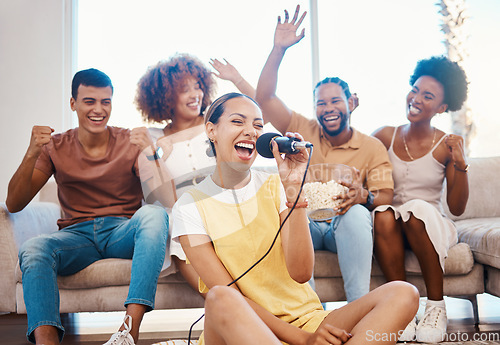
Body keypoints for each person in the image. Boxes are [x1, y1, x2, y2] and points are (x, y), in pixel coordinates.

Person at [171, 92, 419, 345]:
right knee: (220, 297)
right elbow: (230, 297)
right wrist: (304, 340)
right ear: (211, 130)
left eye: (258, 125)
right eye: (238, 122)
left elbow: (301, 273)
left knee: (403, 293)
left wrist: (294, 190)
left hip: (308, 321)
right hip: (244, 327)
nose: (251, 131)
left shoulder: (278, 185)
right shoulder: (188, 207)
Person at [6, 68, 170, 345]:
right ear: (73, 103)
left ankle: (128, 332)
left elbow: (167, 202)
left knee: (153, 214)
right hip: (75, 237)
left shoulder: (130, 142)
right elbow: (14, 203)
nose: (98, 109)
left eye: (105, 101)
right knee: (33, 248)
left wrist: (151, 152)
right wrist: (32, 151)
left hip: (121, 231)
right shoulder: (55, 146)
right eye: (89, 101)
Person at [255, 5, 393, 302]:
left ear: (351, 102)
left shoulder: (371, 146)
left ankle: (359, 306)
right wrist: (278, 49)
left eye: (335, 101)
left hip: (343, 223)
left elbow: (386, 195)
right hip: (307, 223)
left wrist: (364, 197)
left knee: (357, 213)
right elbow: (264, 98)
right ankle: (310, 313)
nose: (327, 109)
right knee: (290, 212)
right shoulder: (302, 128)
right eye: (321, 103)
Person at [134, 53, 256, 291]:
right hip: (183, 217)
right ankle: (230, 307)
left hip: (223, 208)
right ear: (166, 96)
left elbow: (257, 112)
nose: (195, 95)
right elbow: (166, 198)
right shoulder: (155, 139)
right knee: (177, 221)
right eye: (184, 89)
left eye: (198, 86)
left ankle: (239, 311)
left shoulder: (217, 123)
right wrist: (154, 153)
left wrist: (237, 79)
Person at [371, 56, 469, 343]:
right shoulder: (384, 135)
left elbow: (457, 208)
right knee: (384, 214)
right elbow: (357, 161)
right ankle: (401, 308)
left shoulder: (446, 145)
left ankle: (436, 307)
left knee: (414, 210)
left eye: (428, 96)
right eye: (415, 89)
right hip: (392, 229)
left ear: (442, 107)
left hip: (430, 224)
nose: (416, 99)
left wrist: (460, 164)